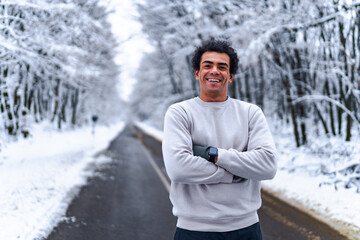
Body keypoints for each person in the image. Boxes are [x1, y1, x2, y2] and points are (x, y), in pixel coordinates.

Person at [162, 39, 278, 240]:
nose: (214, 71)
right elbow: (178, 167)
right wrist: (234, 174)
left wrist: (213, 154)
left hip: (247, 230)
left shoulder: (251, 113)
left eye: (222, 67)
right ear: (197, 73)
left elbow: (267, 166)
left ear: (230, 76)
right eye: (208, 65)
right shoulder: (180, 112)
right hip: (194, 231)